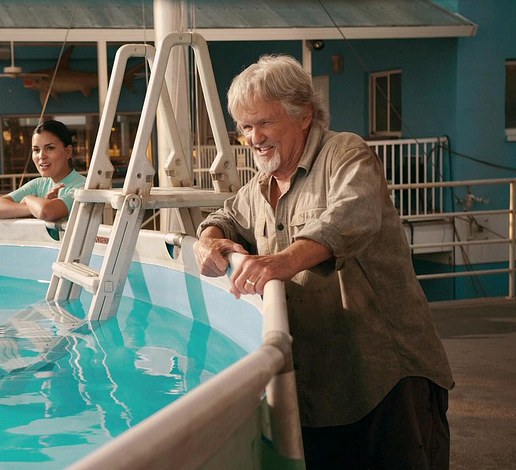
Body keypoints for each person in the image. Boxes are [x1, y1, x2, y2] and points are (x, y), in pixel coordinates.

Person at [194, 54, 454, 468]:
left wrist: (281, 262)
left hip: (387, 380)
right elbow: (222, 218)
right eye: (245, 127)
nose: (254, 137)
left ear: (304, 115)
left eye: (264, 122)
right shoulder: (260, 185)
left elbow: (351, 216)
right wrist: (209, 242)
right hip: (319, 392)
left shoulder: (346, 153)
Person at [0, 120, 86, 221]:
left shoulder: (83, 187)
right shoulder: (38, 184)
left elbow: (46, 212)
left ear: (68, 152)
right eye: (36, 150)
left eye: (50, 148)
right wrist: (35, 207)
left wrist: (28, 199)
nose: (41, 156)